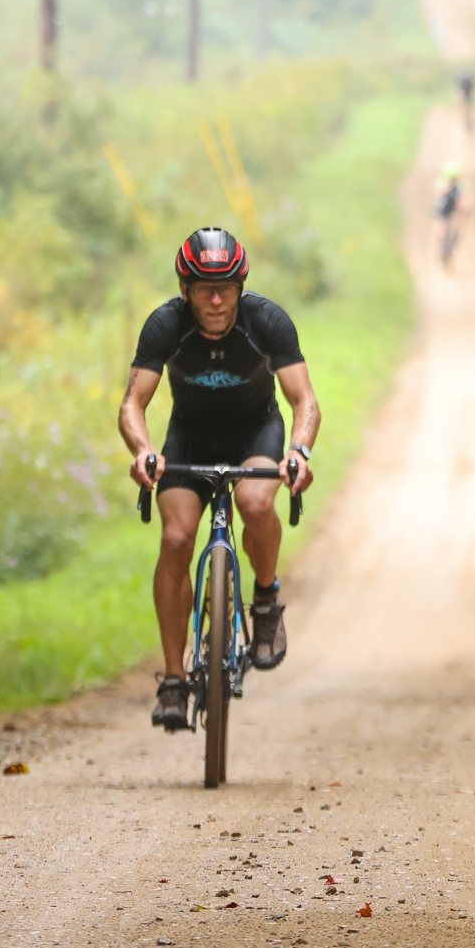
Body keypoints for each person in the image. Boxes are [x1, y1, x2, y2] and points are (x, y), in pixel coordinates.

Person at [119, 227, 320, 732]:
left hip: (256, 432)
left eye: (226, 287)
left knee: (255, 503)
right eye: (203, 287)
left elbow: (304, 401)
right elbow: (133, 404)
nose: (215, 299)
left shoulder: (267, 321)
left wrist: (298, 451)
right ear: (184, 287)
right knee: (176, 536)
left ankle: (267, 599)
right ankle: (172, 679)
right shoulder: (165, 325)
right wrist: (144, 451)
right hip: (190, 437)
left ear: (240, 286)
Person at [432, 160, 471, 270]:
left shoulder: (462, 185)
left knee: (458, 228)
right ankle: (440, 250)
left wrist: (465, 208)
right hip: (444, 211)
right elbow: (437, 193)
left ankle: (451, 253)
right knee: (440, 230)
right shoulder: (441, 184)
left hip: (455, 211)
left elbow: (467, 198)